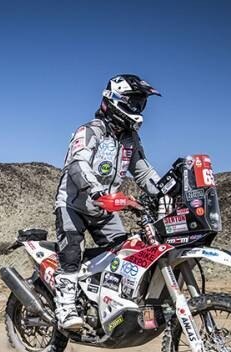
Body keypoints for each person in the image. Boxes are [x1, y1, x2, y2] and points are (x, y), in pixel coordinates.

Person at [53, 74, 169, 331]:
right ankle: (66, 309)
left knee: (125, 254)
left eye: (141, 103)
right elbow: (77, 163)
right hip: (74, 204)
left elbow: (143, 172)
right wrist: (95, 191)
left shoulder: (130, 140)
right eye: (133, 102)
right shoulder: (90, 131)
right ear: (115, 100)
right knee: (71, 253)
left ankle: (107, 303)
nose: (138, 109)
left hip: (105, 209)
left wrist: (164, 194)